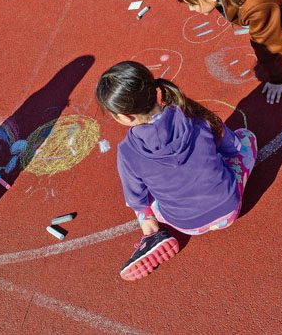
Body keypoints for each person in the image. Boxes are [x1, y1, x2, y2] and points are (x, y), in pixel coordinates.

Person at [96, 61, 258, 280]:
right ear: (156, 91)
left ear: (124, 117)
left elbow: (136, 198)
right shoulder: (195, 116)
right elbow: (233, 147)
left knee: (142, 199)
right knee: (246, 139)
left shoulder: (127, 152)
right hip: (228, 208)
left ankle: (150, 230)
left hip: (185, 224)